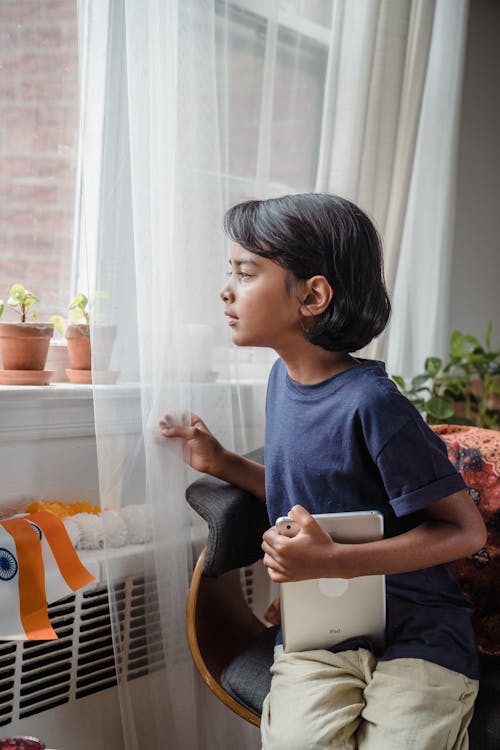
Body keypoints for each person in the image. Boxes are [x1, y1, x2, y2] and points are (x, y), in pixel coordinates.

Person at [160, 193, 486, 750]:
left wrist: (334, 560)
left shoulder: (374, 404)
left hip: (419, 631)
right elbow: (313, 495)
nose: (226, 289)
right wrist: (225, 464)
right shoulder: (281, 382)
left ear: (312, 295)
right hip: (323, 629)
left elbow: (465, 531)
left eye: (246, 272)